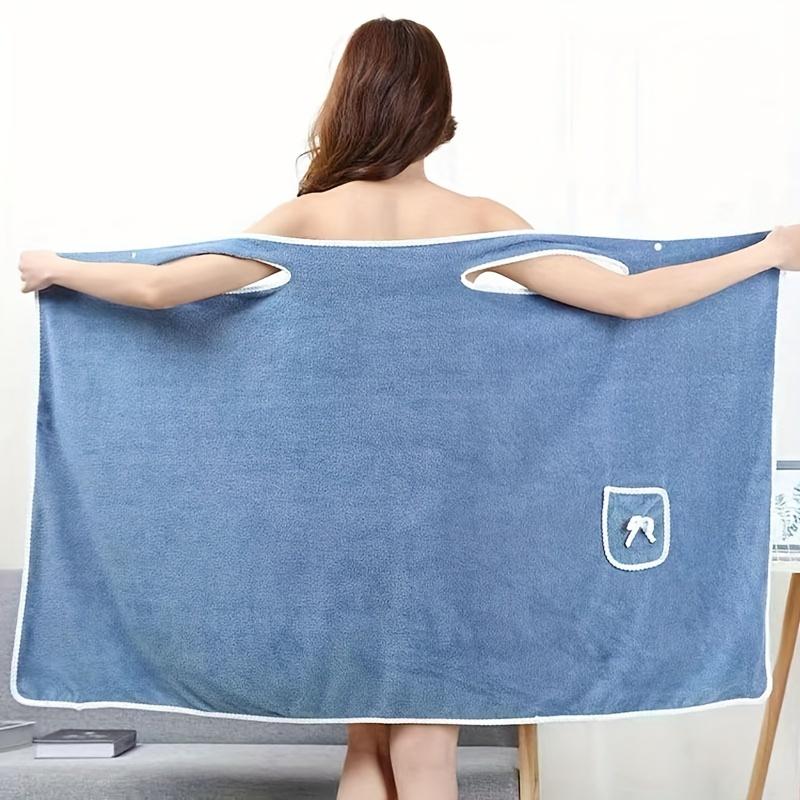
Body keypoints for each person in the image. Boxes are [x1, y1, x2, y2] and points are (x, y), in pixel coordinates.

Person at [15, 15, 800, 800]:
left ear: (348, 104)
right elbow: (628, 298)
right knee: (424, 747)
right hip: (450, 525)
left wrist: (58, 268)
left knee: (367, 742)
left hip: (333, 528)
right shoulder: (477, 219)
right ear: (437, 110)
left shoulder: (306, 220)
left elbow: (159, 290)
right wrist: (766, 251)